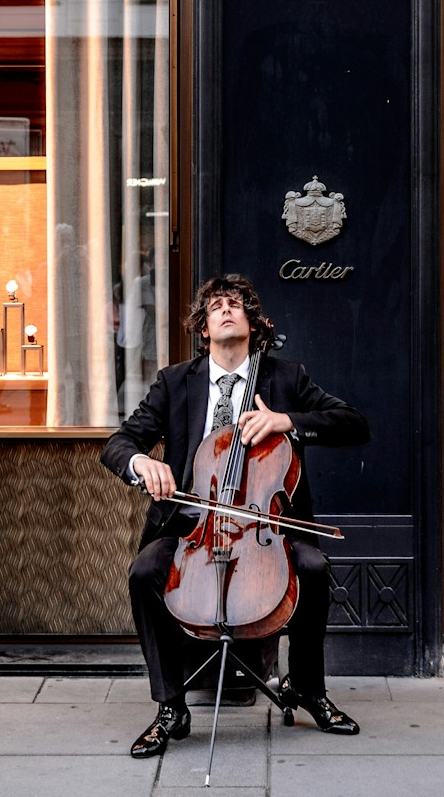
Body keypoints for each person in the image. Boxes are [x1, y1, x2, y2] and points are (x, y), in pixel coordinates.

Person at [101, 273, 369, 759]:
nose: (225, 310)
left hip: (265, 526)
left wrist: (286, 420)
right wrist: (141, 462)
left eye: (235, 305)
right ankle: (170, 705)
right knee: (144, 572)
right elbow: (118, 444)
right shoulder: (175, 382)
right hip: (192, 527)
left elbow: (352, 422)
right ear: (203, 328)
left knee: (313, 568)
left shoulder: (285, 379)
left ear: (252, 322)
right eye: (215, 307)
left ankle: (306, 687)